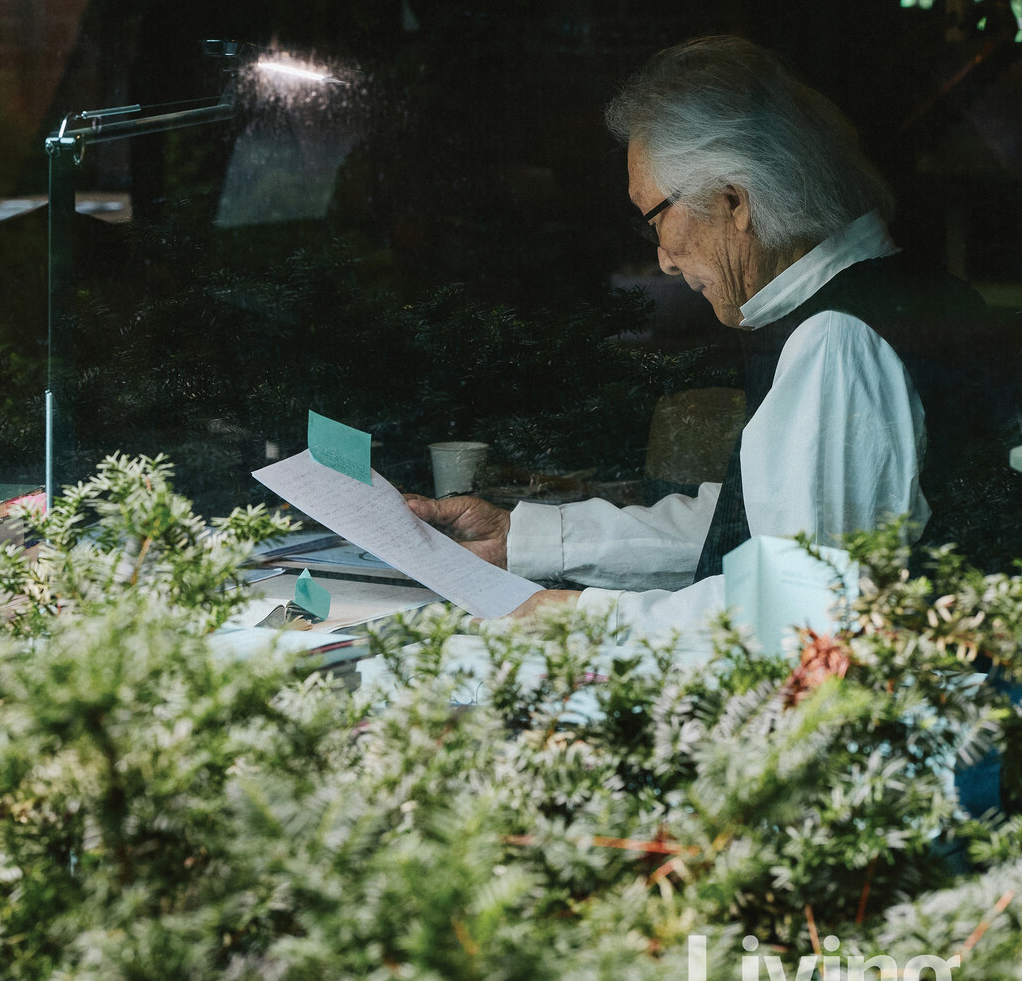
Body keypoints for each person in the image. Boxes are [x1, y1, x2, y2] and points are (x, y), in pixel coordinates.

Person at [405, 36, 1014, 635]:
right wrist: (523, 539)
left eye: (653, 219)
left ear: (732, 200)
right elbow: (749, 530)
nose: (665, 260)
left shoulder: (835, 341)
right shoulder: (902, 293)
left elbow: (805, 614)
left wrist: (571, 616)